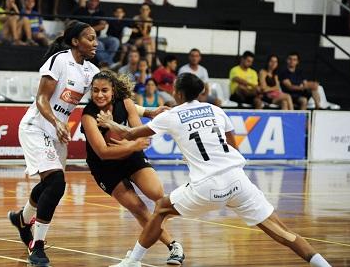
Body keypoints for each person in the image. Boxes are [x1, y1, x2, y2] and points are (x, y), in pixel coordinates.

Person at [99, 73, 332, 267]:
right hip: (238, 180)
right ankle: (324, 264)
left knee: (160, 209)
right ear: (200, 92)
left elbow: (130, 133)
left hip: (207, 186)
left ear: (177, 94)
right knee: (283, 233)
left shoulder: (172, 116)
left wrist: (110, 123)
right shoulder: (215, 109)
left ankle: (133, 263)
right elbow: (233, 144)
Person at [7, 21, 100, 266]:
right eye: (90, 38)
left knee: (51, 184)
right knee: (57, 183)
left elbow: (107, 95)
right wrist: (57, 122)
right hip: (37, 126)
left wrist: (146, 111)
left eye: (96, 38)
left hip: (58, 133)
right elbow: (41, 99)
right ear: (75, 41)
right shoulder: (60, 60)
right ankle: (37, 247)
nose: (96, 43)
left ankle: (21, 219)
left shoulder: (91, 71)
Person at [81, 70, 183, 265]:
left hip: (131, 157)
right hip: (105, 167)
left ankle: (158, 226)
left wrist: (128, 142)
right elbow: (103, 152)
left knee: (157, 192)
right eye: (95, 91)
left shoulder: (125, 103)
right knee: (138, 208)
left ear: (113, 91)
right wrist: (133, 143)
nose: (99, 95)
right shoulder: (88, 116)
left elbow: (142, 137)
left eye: (104, 90)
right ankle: (174, 247)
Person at [74, 0, 120, 67]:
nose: (93, 3)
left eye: (96, 1)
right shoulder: (80, 11)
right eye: (92, 0)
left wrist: (87, 29)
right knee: (99, 44)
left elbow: (102, 26)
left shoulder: (101, 12)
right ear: (88, 1)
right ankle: (109, 64)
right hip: (84, 37)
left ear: (98, 2)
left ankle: (106, 62)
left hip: (97, 36)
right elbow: (71, 22)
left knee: (115, 41)